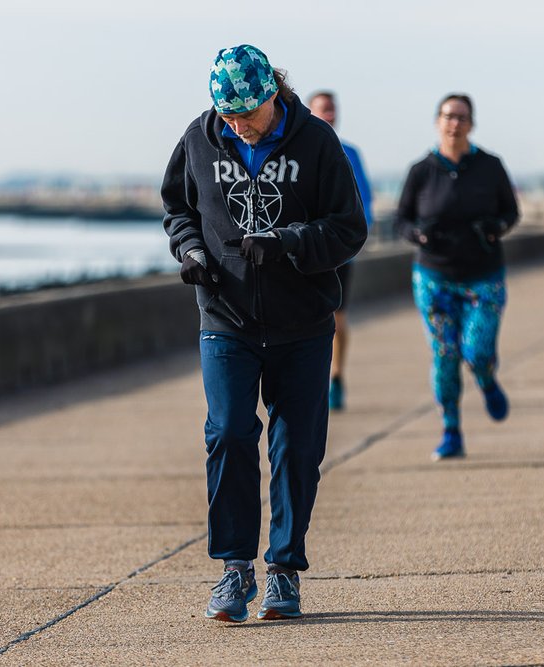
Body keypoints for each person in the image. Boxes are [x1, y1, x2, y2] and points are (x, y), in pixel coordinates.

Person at [161, 44, 366, 623]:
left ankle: (282, 571)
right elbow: (177, 207)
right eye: (226, 115)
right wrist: (191, 249)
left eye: (245, 115)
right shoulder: (200, 137)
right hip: (225, 318)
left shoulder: (318, 143)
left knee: (296, 447)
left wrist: (290, 243)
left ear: (272, 96)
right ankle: (233, 570)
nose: (236, 126)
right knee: (227, 433)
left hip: (302, 323)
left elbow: (350, 229)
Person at [395, 93, 519, 461]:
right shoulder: (421, 171)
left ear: (471, 124)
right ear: (438, 121)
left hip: (484, 277)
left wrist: (496, 227)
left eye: (462, 117)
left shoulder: (491, 166)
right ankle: (451, 431)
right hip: (434, 278)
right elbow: (400, 219)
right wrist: (417, 234)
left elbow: (511, 212)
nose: (455, 123)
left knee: (477, 351)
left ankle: (485, 377)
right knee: (445, 355)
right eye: (449, 116)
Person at [307, 90, 373, 411]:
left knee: (338, 319)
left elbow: (364, 204)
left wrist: (350, 241)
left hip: (340, 254)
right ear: (309, 112)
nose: (329, 114)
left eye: (332, 109)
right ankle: (309, 381)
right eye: (323, 109)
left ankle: (336, 377)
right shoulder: (297, 152)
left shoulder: (350, 153)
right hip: (304, 251)